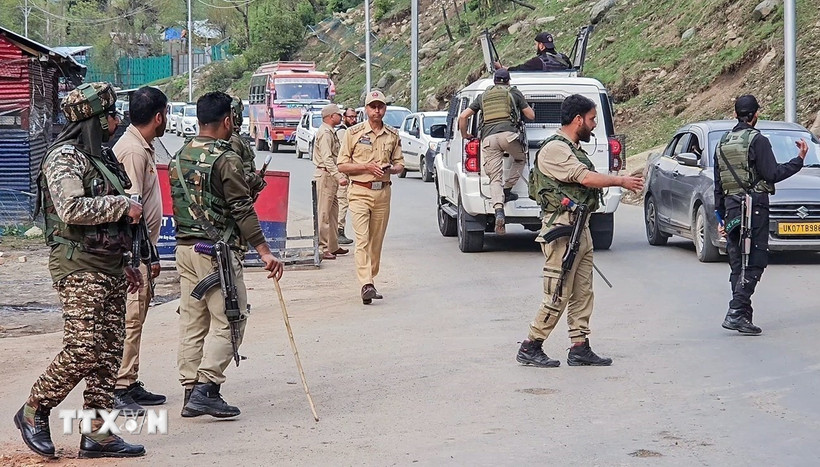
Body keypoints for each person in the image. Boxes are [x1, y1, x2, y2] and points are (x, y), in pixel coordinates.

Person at [14, 82, 146, 458]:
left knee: (108, 353)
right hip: (78, 265)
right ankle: (34, 409)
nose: (116, 123)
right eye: (111, 116)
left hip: (109, 265)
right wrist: (122, 205)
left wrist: (128, 261)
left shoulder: (101, 157)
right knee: (84, 348)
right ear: (94, 120)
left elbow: (116, 222)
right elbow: (71, 209)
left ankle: (98, 434)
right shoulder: (64, 158)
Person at [170, 91, 284, 419]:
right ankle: (206, 388)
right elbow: (241, 209)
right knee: (231, 319)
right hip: (215, 252)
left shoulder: (180, 155)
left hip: (185, 249)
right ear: (227, 121)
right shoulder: (226, 158)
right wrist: (264, 251)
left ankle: (190, 389)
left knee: (193, 322)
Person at [516, 94, 644, 368]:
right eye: (592, 119)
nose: (594, 124)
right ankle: (531, 345)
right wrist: (620, 181)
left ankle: (579, 346)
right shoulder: (555, 149)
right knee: (558, 290)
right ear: (578, 120)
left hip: (579, 227)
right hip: (562, 229)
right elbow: (584, 177)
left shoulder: (572, 147)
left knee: (583, 292)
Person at [714, 94, 807, 335]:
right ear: (756, 114)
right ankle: (736, 311)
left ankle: (743, 316)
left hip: (731, 208)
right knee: (755, 261)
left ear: (735, 114)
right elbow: (772, 174)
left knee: (738, 263)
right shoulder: (758, 140)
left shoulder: (722, 142)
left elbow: (718, 185)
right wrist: (798, 160)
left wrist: (720, 218)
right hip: (753, 209)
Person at [111, 86, 168, 414]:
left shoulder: (142, 146)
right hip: (134, 252)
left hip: (143, 250)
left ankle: (130, 380)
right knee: (131, 319)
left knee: (138, 317)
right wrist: (145, 256)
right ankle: (119, 385)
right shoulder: (133, 151)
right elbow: (132, 211)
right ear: (159, 117)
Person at [338, 91, 405, 304]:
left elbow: (400, 164)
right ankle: (366, 283)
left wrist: (391, 169)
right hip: (359, 191)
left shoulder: (392, 135)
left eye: (380, 106)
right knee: (362, 239)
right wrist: (366, 167)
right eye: (372, 106)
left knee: (376, 242)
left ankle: (370, 279)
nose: (377, 110)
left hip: (382, 192)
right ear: (366, 109)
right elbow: (342, 165)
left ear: (385, 109)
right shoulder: (353, 133)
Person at [458, 68, 535, 234]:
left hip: (489, 139)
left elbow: (463, 116)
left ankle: (499, 210)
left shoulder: (483, 96)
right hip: (509, 136)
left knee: (495, 177)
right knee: (520, 159)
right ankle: (507, 189)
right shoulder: (513, 92)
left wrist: (465, 135)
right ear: (508, 81)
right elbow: (531, 116)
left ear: (494, 81)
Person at [314, 103, 349, 260]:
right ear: (330, 116)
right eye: (338, 114)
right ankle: (322, 248)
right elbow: (327, 158)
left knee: (334, 212)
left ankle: (333, 245)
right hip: (326, 175)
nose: (341, 117)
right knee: (324, 213)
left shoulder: (331, 131)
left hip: (331, 176)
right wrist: (338, 176)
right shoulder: (325, 133)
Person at [229, 97, 267, 200]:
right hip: (237, 197)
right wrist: (256, 180)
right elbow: (235, 177)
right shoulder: (233, 140)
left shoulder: (235, 138)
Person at [335, 107, 359, 245]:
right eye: (350, 117)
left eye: (354, 117)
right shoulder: (342, 132)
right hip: (342, 171)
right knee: (342, 201)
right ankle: (339, 231)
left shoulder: (351, 131)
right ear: (344, 117)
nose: (353, 119)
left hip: (349, 171)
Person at [500, 32, 572, 72]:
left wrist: (502, 68)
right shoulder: (564, 58)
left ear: (541, 45)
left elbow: (518, 69)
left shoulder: (537, 62)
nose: (535, 47)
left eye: (536, 44)